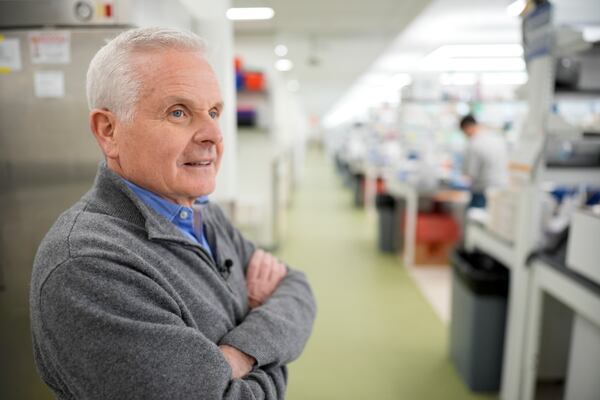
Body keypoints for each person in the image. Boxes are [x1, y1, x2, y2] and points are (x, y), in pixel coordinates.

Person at [30, 27, 316, 400]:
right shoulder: (87, 264)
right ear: (109, 130)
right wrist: (272, 349)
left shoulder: (203, 215)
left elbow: (297, 288)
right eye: (179, 112)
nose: (213, 133)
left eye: (214, 111)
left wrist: (240, 353)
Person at [459, 115, 509, 208]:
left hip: (482, 190)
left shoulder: (474, 143)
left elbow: (471, 173)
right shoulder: (497, 138)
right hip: (501, 188)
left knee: (475, 218)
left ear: (467, 127)